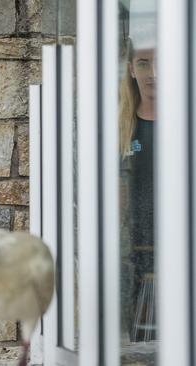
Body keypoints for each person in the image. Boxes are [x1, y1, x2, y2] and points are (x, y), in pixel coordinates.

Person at [118, 36, 156, 342]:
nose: (152, 72)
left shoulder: (184, 124)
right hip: (131, 249)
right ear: (131, 69)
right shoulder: (121, 128)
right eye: (144, 63)